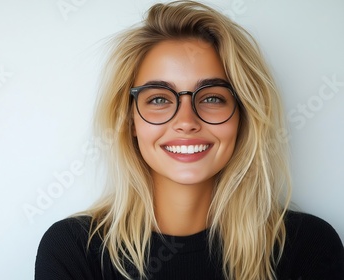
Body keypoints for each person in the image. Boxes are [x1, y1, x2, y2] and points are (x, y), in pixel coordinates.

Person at [35, 1, 344, 279]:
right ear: (130, 120)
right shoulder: (73, 250)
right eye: (158, 99)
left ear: (243, 115)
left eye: (211, 97)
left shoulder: (308, 247)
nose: (186, 122)